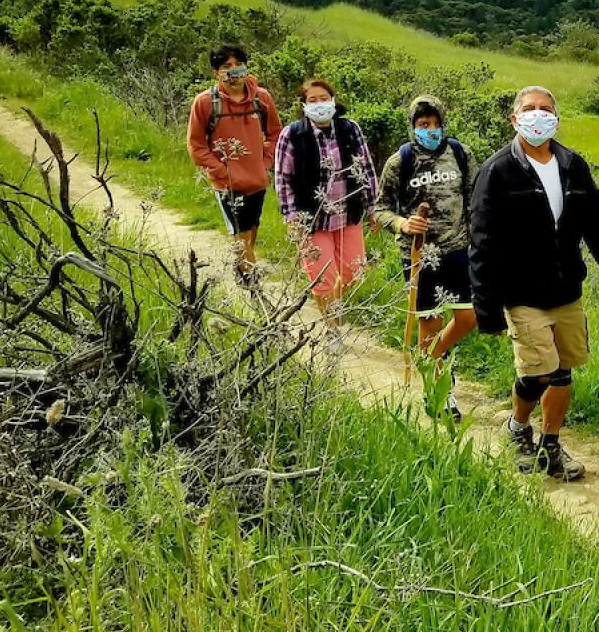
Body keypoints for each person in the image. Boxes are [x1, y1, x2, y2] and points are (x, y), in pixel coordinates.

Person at [470, 85, 599, 481]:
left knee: (563, 372)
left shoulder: (572, 165)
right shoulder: (496, 171)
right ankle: (518, 427)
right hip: (521, 292)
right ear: (514, 119)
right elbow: (482, 240)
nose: (538, 116)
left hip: (566, 290)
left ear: (557, 118)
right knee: (539, 372)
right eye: (529, 109)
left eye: (546, 109)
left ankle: (551, 445)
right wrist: (486, 306)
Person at [372, 95, 478, 420]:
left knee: (469, 316)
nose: (430, 130)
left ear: (443, 124)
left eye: (434, 124)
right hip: (419, 256)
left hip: (459, 250)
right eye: (423, 125)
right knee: (429, 323)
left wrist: (481, 238)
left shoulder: (460, 154)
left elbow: (475, 196)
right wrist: (403, 223)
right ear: (414, 127)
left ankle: (434, 356)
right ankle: (440, 392)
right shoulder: (400, 161)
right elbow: (379, 210)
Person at [274, 78, 377, 330]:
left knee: (354, 271)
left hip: (347, 213)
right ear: (303, 105)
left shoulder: (350, 129)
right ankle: (331, 328)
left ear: (333, 101)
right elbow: (282, 178)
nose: (319, 104)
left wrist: (374, 207)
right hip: (312, 220)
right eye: (312, 100)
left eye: (324, 98)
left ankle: (335, 303)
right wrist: (291, 218)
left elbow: (366, 167)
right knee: (322, 278)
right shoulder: (292, 134)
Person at [185, 45, 283, 283]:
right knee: (241, 234)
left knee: (251, 231)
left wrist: (265, 162)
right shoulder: (205, 102)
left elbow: (275, 134)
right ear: (215, 72)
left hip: (257, 180)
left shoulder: (262, 98)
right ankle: (253, 284)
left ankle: (241, 270)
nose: (234, 71)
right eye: (226, 67)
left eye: (238, 65)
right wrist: (222, 171)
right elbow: (196, 145)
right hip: (226, 184)